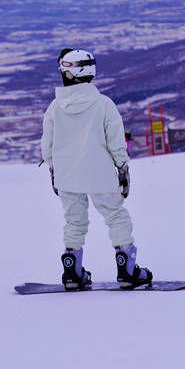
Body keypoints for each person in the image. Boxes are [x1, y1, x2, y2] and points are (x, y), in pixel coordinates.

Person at [41, 48, 152, 291]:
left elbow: (46, 147)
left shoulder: (54, 108)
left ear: (70, 73)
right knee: (116, 216)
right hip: (99, 174)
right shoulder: (103, 104)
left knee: (74, 222)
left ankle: (72, 272)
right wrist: (122, 168)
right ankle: (127, 270)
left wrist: (53, 171)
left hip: (67, 176)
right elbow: (116, 142)